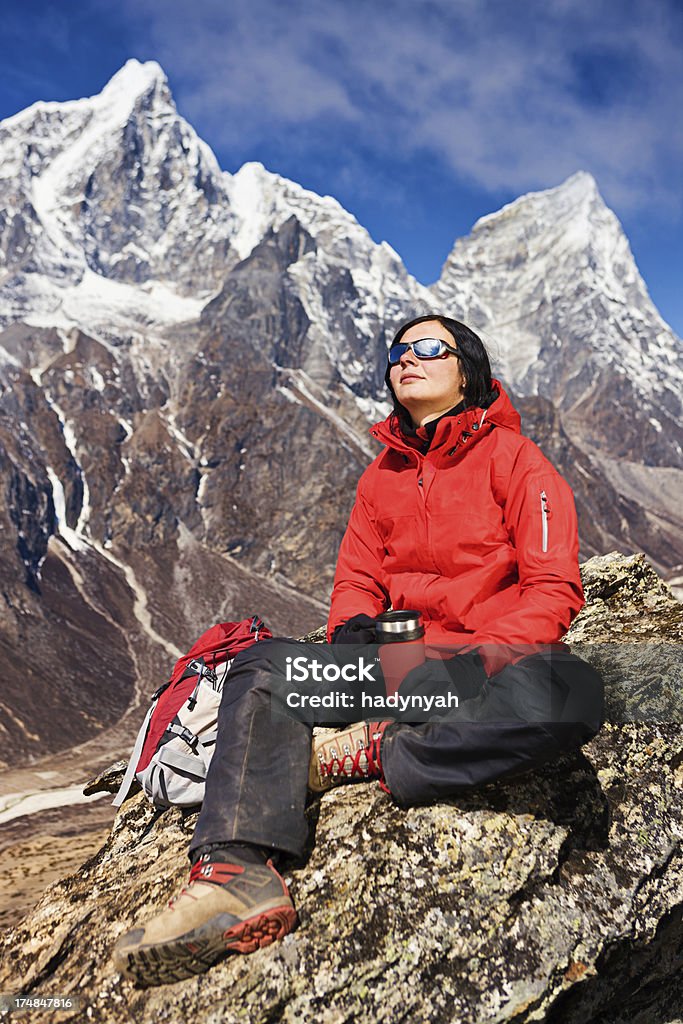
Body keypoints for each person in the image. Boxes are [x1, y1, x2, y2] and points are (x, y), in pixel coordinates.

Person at [113, 314, 604, 985]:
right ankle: (235, 872)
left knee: (571, 691)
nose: (407, 358)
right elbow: (356, 578)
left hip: (481, 666)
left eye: (429, 348)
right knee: (261, 665)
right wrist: (350, 639)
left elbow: (552, 589)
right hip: (396, 668)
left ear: (469, 370)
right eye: (398, 351)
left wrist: (485, 657)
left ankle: (372, 753)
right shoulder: (380, 477)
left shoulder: (518, 462)